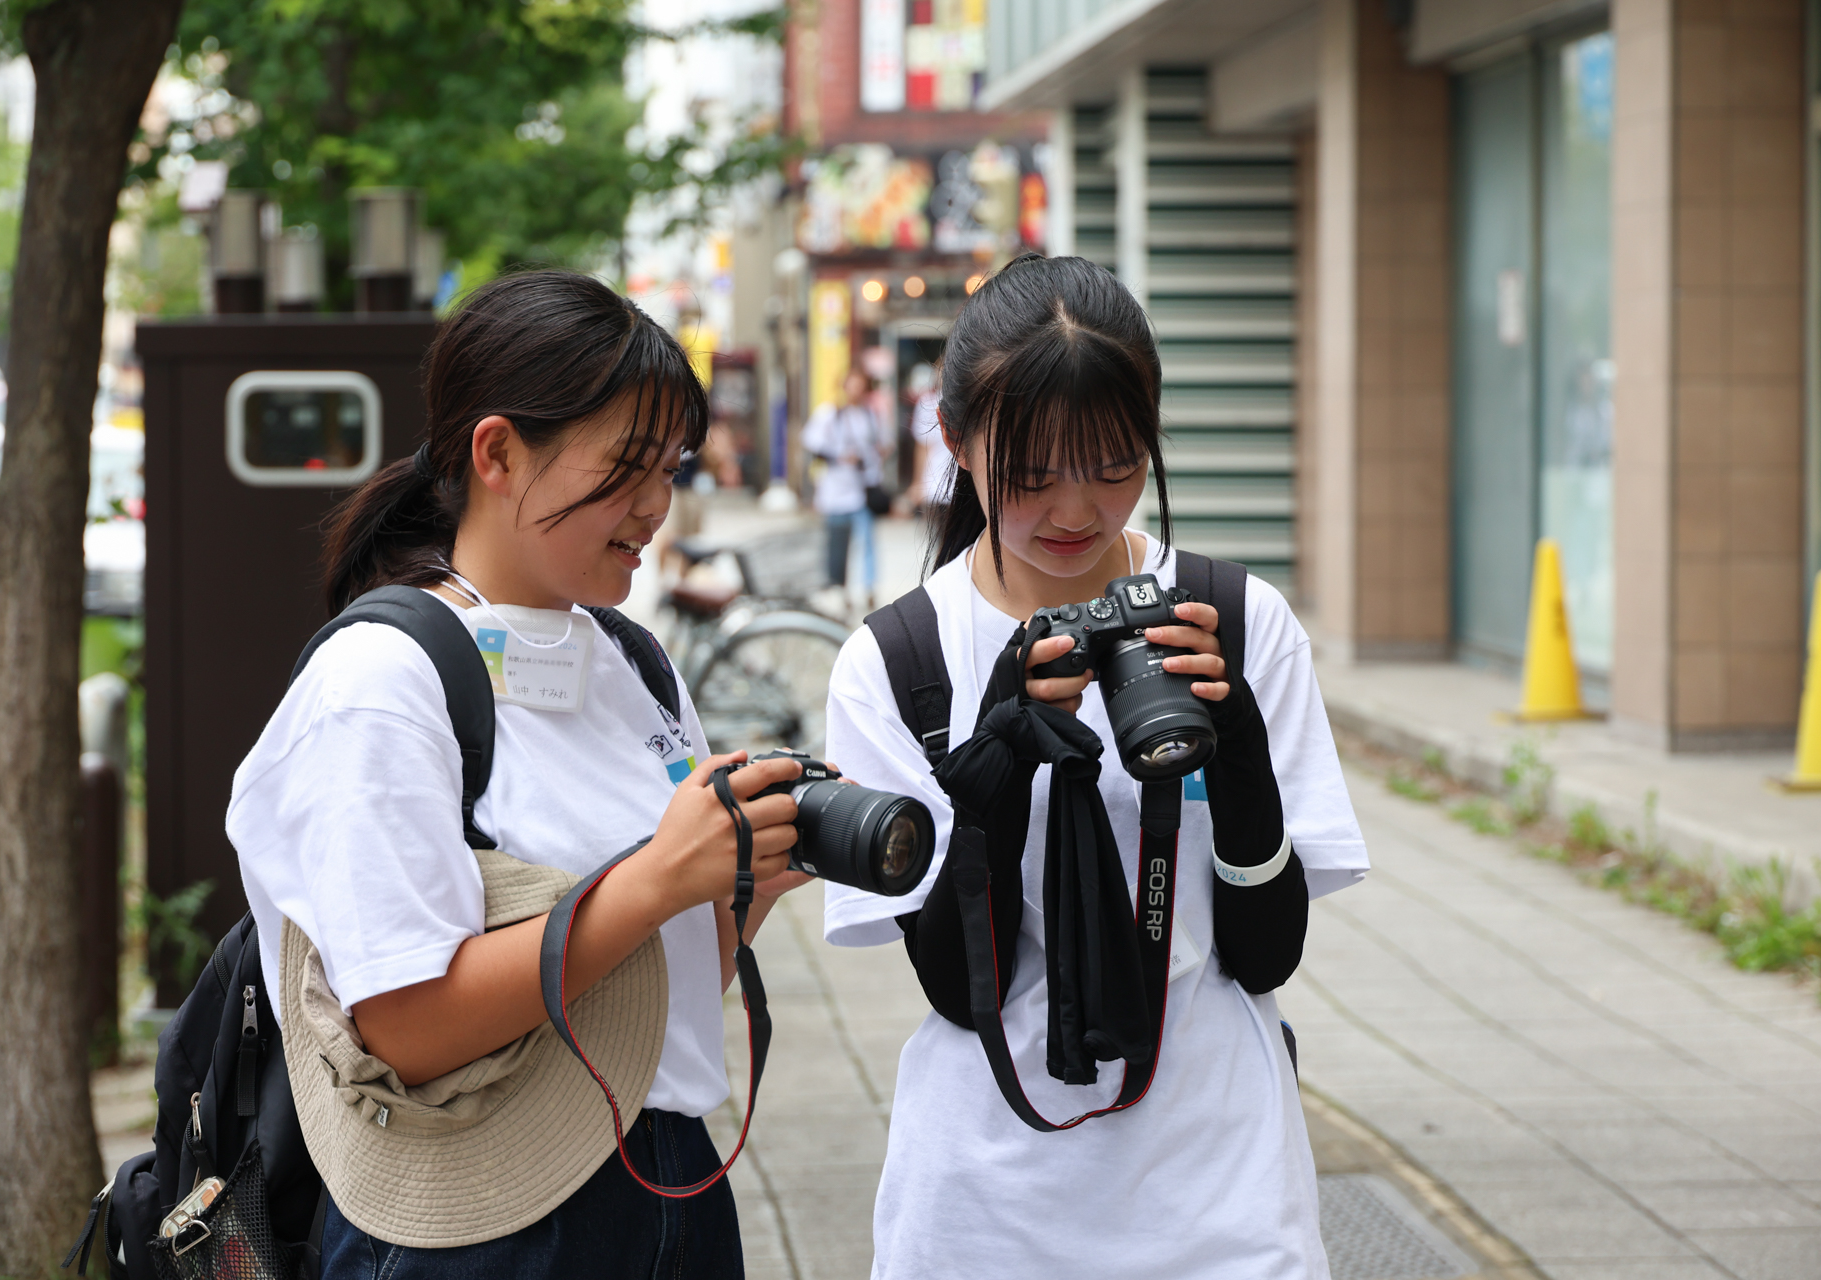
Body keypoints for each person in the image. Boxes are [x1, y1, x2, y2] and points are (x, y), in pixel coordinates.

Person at [228, 269, 811, 1277]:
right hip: (485, 1218)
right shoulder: (381, 680)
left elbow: (658, 989)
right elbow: (405, 1026)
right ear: (498, 451)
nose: (656, 507)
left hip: (672, 1181)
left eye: (670, 468)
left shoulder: (636, 661)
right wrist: (660, 875)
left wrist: (746, 881)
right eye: (627, 467)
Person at [821, 254, 1369, 1278]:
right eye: (1031, 474)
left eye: (1115, 464)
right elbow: (951, 984)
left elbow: (1265, 951)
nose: (1076, 507)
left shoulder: (1237, 621)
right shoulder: (902, 663)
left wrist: (1237, 745)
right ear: (955, 443)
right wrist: (995, 767)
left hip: (1221, 1184)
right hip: (986, 1199)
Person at [801, 367, 883, 607]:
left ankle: (868, 587)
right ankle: (840, 589)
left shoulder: (871, 416)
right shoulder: (830, 413)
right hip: (835, 490)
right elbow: (810, 441)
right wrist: (839, 456)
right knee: (838, 543)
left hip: (863, 488)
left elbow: (882, 444)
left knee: (866, 541)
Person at [905, 360, 952, 518]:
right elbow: (923, 446)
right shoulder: (928, 403)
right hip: (935, 484)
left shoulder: (968, 401)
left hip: (963, 486)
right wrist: (918, 482)